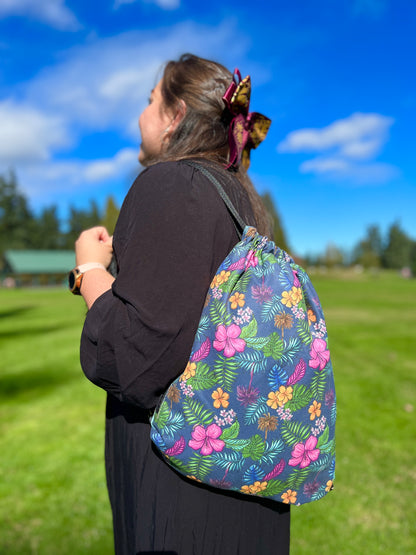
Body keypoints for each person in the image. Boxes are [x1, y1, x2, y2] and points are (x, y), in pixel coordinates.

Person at [74, 53, 290, 554]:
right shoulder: (242, 202)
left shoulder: (174, 183)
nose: (140, 116)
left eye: (150, 101)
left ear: (174, 117)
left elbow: (133, 358)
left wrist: (89, 270)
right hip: (245, 471)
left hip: (183, 486)